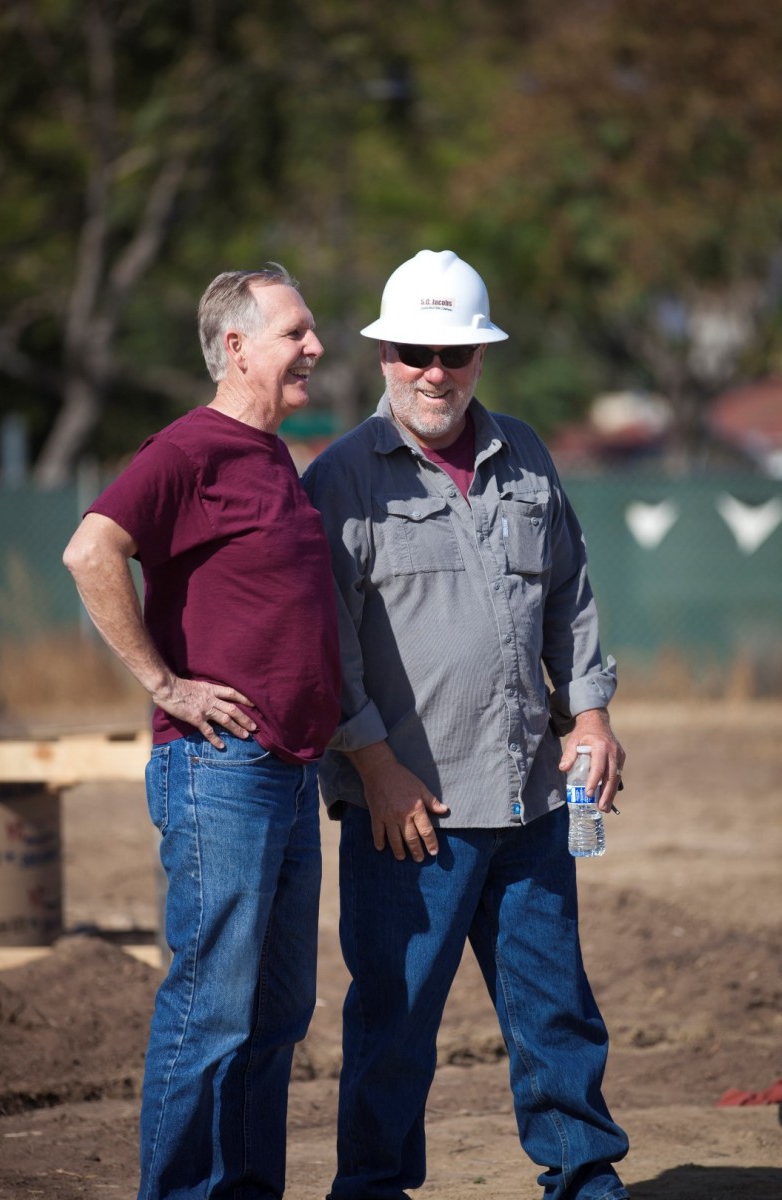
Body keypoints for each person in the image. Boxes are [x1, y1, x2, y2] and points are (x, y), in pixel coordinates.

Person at [302, 249, 630, 1200]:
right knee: (395, 1020)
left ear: (480, 356)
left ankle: (584, 1180)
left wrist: (591, 715)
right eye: (416, 352)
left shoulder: (525, 454)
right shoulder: (342, 479)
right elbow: (326, 647)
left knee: (555, 1012)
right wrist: (376, 767)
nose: (435, 372)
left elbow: (569, 597)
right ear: (385, 356)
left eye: (455, 353)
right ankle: (371, 1189)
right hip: (408, 813)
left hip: (532, 798)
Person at [63, 266, 342, 1200]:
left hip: (291, 771)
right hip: (221, 769)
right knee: (212, 1009)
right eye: (295, 333)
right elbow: (90, 550)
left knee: (277, 1013)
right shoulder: (189, 449)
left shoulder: (274, 456)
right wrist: (166, 684)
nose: (314, 347)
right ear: (236, 347)